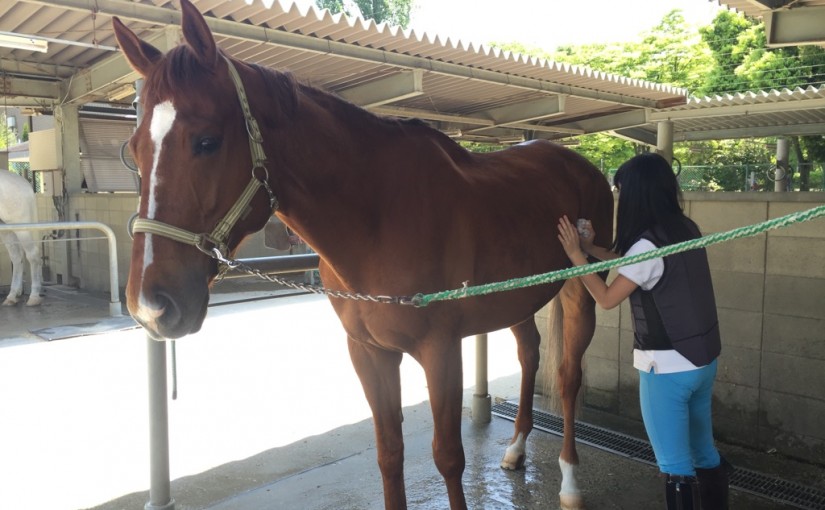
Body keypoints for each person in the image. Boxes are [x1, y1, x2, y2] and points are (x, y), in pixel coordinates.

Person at [557, 152, 731, 510]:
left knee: (676, 467)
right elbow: (633, 263)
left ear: (636, 195)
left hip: (667, 370)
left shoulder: (647, 246)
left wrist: (576, 256)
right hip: (703, 363)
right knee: (704, 452)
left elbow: (606, 298)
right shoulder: (685, 229)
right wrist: (590, 248)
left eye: (621, 191)